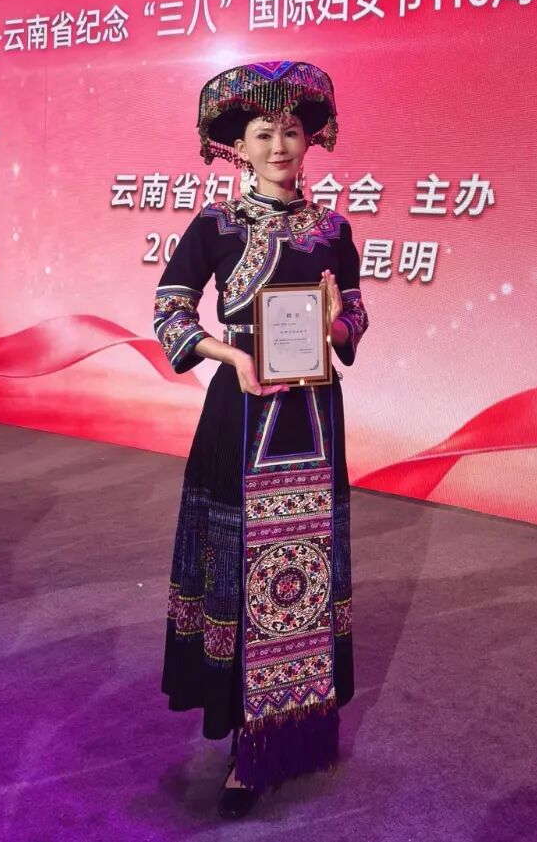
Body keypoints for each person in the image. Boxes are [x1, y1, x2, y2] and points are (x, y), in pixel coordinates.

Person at [153, 60, 369, 819]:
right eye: (264, 133)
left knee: (308, 565)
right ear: (238, 147)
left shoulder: (335, 229)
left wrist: (337, 324)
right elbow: (170, 311)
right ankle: (249, 747)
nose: (280, 145)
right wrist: (232, 356)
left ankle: (299, 730)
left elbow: (355, 317)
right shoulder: (216, 225)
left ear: (311, 141)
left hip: (313, 418)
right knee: (244, 570)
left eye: (292, 132)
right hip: (241, 414)